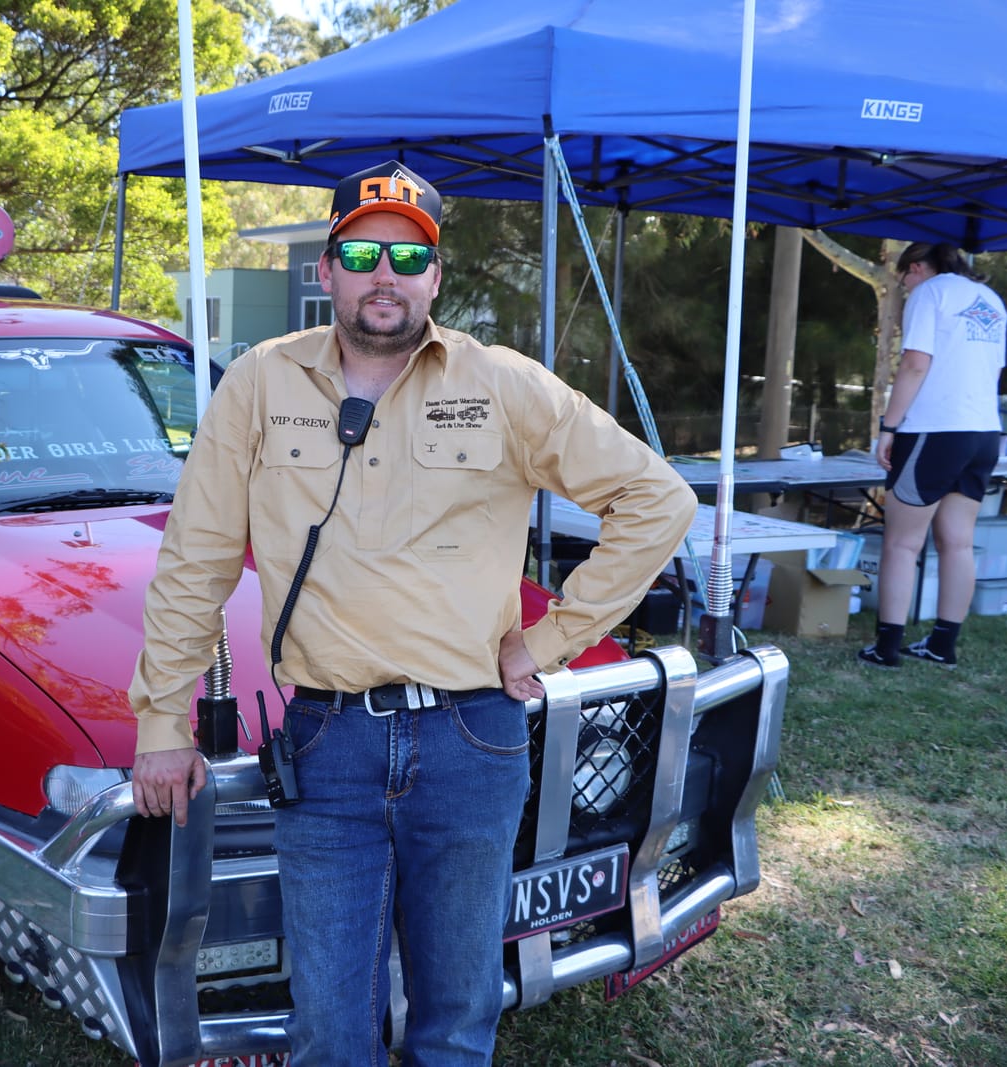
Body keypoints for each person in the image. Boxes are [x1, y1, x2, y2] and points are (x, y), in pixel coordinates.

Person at [128, 159, 696, 1065]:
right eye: (360, 252)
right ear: (326, 271)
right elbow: (194, 557)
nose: (382, 273)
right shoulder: (258, 385)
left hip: (473, 741)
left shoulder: (504, 383)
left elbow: (656, 499)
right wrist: (163, 716)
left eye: (407, 255)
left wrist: (550, 638)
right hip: (324, 744)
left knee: (456, 1019)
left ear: (435, 275)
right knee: (328, 1028)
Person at [859, 241, 1007, 669]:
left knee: (902, 544)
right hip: (983, 432)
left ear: (918, 267)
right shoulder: (990, 299)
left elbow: (915, 364)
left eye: (904, 276)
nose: (904, 286)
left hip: (934, 429)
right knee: (958, 543)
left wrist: (889, 426)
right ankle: (943, 643)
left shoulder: (931, 292)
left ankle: (886, 647)